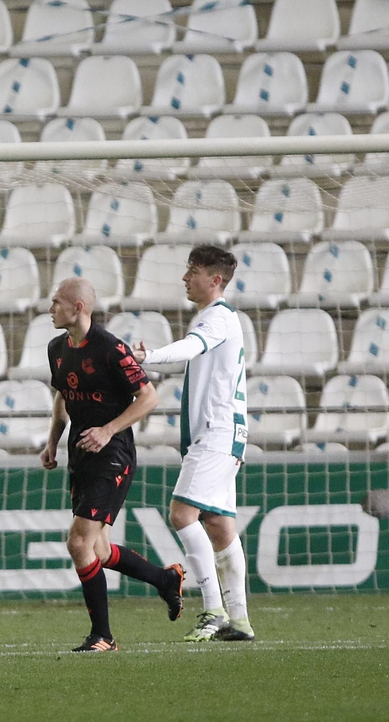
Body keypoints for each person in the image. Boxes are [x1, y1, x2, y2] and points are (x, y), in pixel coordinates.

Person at [39, 278, 185, 652]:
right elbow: (63, 396)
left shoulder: (110, 348)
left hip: (113, 454)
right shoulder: (56, 348)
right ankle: (164, 579)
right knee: (98, 552)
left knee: (77, 542)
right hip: (80, 454)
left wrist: (108, 430)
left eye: (56, 303)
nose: (50, 309)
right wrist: (53, 441)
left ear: (78, 308)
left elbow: (149, 397)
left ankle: (102, 636)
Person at [134, 245, 256, 643]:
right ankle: (239, 620)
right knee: (219, 525)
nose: (186, 278)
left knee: (182, 515)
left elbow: (191, 347)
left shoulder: (218, 317)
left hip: (218, 432)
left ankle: (214, 610)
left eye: (193, 271)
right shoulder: (216, 318)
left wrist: (147, 357)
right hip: (225, 432)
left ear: (215, 280)